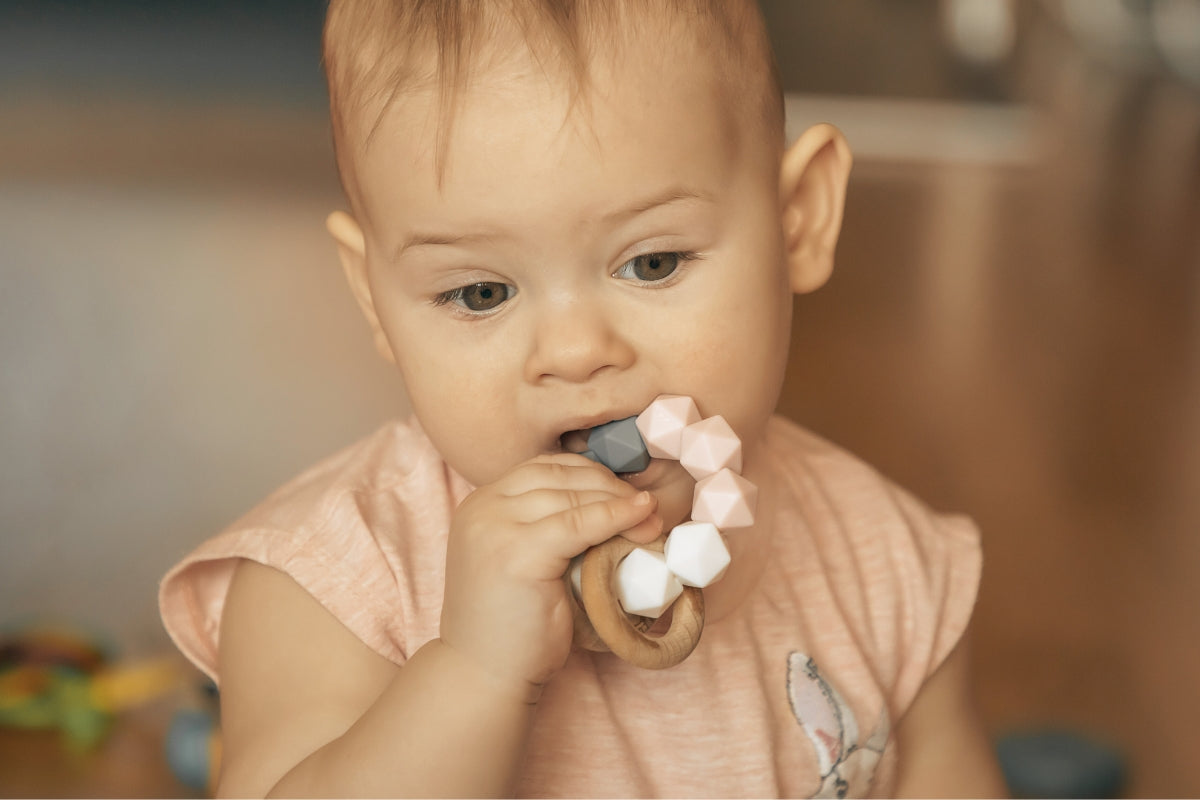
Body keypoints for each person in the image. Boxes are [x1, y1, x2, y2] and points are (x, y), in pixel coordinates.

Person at [160, 1, 1008, 796]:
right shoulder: (337, 583)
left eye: (652, 263)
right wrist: (472, 673)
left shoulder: (891, 566)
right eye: (481, 294)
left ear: (797, 221)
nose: (574, 354)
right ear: (375, 297)